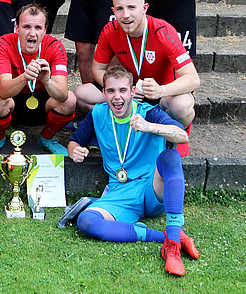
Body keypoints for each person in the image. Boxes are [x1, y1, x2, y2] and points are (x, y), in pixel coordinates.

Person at [68, 64, 199, 277]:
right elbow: (74, 142)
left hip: (151, 187)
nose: (117, 97)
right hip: (120, 192)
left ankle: (173, 245)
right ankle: (163, 236)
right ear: (103, 93)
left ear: (132, 92)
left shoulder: (149, 112)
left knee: (170, 157)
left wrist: (149, 126)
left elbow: (182, 136)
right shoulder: (98, 114)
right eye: (110, 91)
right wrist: (75, 151)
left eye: (122, 90)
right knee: (86, 221)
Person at [73, 0, 200, 156]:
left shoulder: (164, 31)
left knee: (182, 105)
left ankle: (178, 131)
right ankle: (116, 124)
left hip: (163, 95)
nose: (125, 15)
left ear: (144, 8)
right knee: (81, 94)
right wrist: (123, 89)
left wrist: (161, 90)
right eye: (120, 9)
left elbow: (193, 79)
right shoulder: (110, 30)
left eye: (132, 7)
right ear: (113, 11)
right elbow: (97, 70)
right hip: (132, 94)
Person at [0, 2, 75, 155]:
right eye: (26, 27)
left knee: (70, 100)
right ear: (16, 28)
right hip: (13, 99)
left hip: (43, 99)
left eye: (38, 28)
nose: (32, 33)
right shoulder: (2, 43)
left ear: (45, 30)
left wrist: (47, 81)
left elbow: (63, 94)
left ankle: (47, 137)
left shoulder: (56, 46)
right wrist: (25, 76)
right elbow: (4, 91)